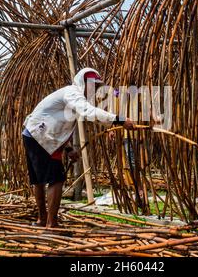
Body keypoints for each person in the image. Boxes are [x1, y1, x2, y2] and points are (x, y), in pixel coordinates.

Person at [22, 68, 134, 228]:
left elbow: (56, 124)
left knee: (39, 180)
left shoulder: (71, 96)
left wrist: (67, 150)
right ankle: (51, 225)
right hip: (41, 136)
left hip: (34, 134)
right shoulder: (72, 92)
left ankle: (42, 220)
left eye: (96, 87)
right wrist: (120, 120)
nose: (94, 90)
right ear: (83, 82)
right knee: (57, 179)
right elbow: (88, 112)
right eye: (92, 85)